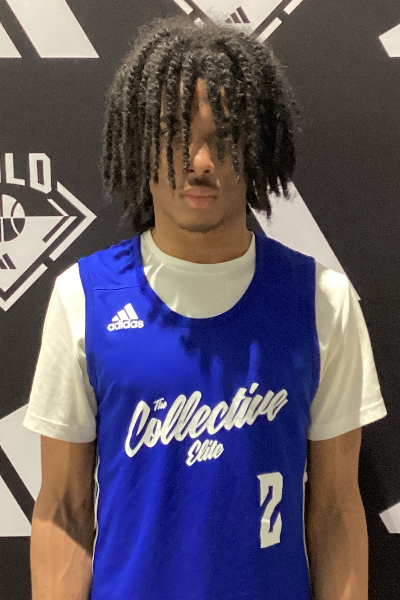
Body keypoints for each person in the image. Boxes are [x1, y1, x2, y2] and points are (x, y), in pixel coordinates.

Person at [23, 14, 387, 600]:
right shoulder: (84, 297)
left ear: (259, 146)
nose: (199, 160)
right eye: (175, 133)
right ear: (139, 144)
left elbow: (337, 511)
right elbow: (63, 510)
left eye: (226, 137)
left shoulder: (323, 302)